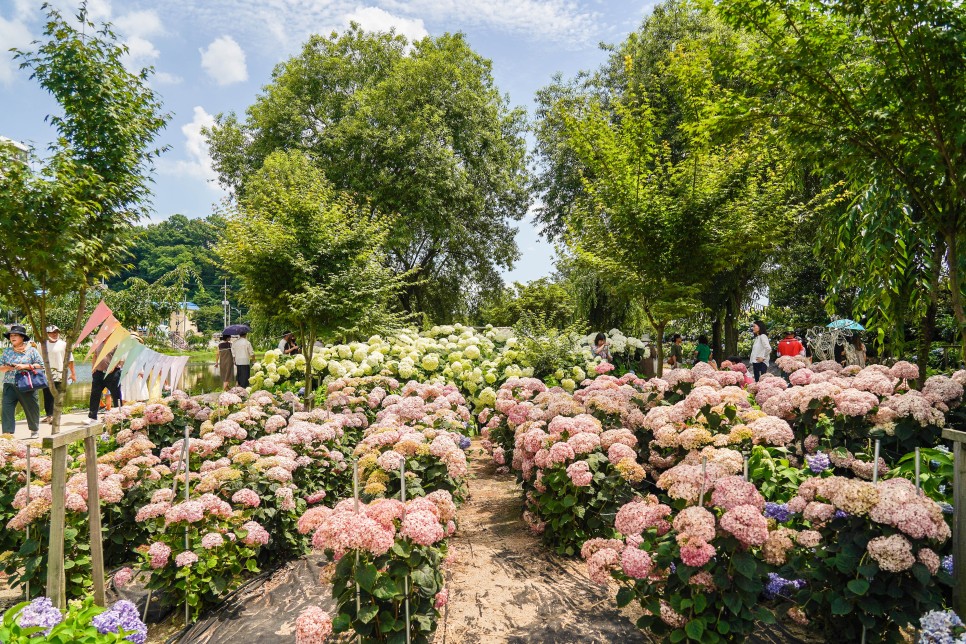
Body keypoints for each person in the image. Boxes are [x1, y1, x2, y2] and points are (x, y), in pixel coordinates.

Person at [1, 325, 45, 438]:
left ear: (22, 338)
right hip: (9, 385)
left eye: (15, 335)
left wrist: (25, 366)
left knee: (31, 408)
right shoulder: (6, 352)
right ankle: (7, 434)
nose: (12, 337)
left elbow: (41, 366)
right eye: (11, 335)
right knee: (7, 409)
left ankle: (34, 430)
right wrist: (8, 367)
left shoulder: (31, 351)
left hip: (26, 384)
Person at [41, 325, 76, 423]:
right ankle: (49, 415)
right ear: (47, 334)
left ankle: (55, 415)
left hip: (60, 374)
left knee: (57, 395)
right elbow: (38, 359)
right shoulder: (43, 344)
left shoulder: (63, 344)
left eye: (56, 332)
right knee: (47, 395)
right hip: (47, 374)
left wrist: (73, 373)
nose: (54, 334)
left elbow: (70, 359)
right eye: (52, 332)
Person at [87, 347, 121, 425]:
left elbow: (119, 356)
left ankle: (119, 416)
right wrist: (94, 366)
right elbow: (95, 355)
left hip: (112, 373)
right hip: (99, 373)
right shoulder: (99, 343)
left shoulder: (115, 343)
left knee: (116, 395)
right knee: (95, 394)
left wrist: (113, 366)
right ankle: (92, 417)